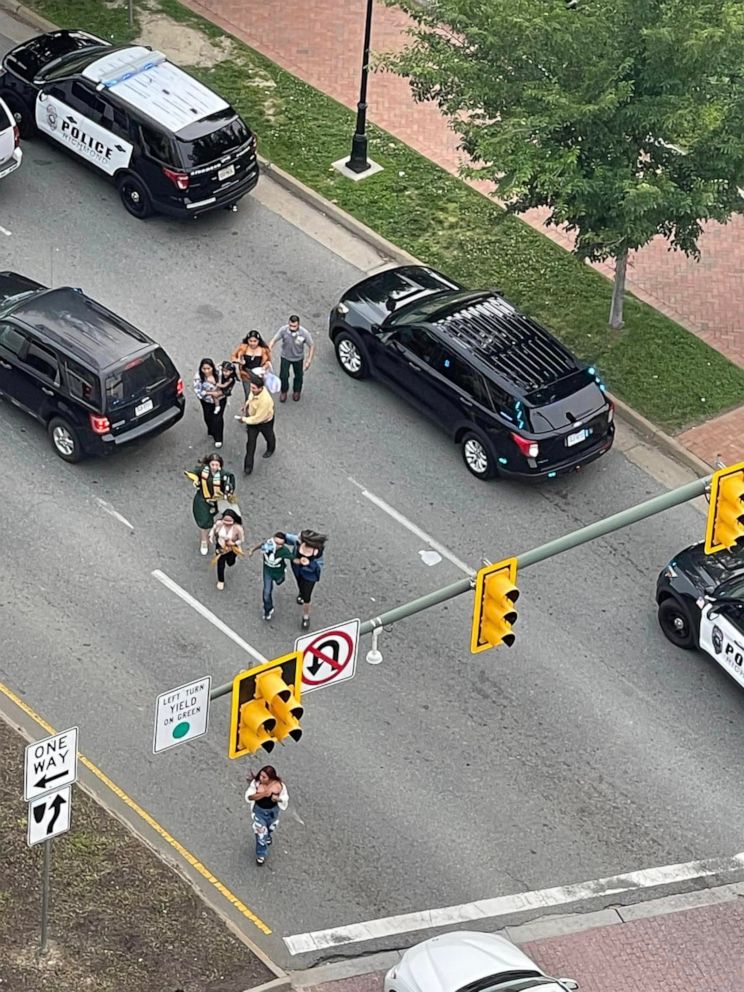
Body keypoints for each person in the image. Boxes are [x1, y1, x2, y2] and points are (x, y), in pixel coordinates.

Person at [185, 453, 237, 555]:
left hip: (219, 500)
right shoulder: (203, 471)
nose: (214, 467)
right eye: (212, 465)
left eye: (216, 465)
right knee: (204, 523)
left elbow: (230, 484)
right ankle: (204, 540)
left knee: (228, 517)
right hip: (203, 500)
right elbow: (192, 473)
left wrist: (228, 490)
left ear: (220, 465)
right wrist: (195, 480)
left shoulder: (224, 475)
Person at [248, 531, 297, 620]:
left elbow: (293, 559)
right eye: (276, 542)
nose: (277, 545)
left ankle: (282, 577)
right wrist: (252, 550)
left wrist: (302, 561)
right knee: (266, 592)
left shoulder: (284, 551)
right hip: (268, 572)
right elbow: (260, 545)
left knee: (279, 582)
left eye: (280, 544)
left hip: (279, 572)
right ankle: (268, 609)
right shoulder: (268, 545)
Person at [245, 766, 288, 865]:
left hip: (273, 812)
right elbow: (249, 797)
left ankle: (268, 835)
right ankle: (261, 854)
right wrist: (264, 794)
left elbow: (284, 797)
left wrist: (277, 799)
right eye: (261, 775)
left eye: (264, 777)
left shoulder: (279, 786)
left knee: (271, 827)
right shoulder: (256, 784)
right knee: (261, 833)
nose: (261, 778)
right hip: (259, 812)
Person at [235, 373, 275, 475]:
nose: (251, 389)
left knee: (269, 435)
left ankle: (271, 448)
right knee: (250, 444)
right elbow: (250, 397)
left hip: (264, 422)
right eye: (251, 387)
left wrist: (243, 420)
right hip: (252, 420)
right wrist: (246, 406)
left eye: (253, 388)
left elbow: (258, 418)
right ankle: (248, 467)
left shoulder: (265, 401)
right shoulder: (254, 392)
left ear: (260, 388)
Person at [269, 314, 314, 403]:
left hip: (298, 358)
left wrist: (309, 360)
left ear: (298, 325)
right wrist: (269, 349)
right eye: (290, 325)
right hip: (285, 357)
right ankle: (284, 391)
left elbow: (311, 346)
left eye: (294, 326)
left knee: (299, 376)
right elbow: (274, 340)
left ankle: (297, 391)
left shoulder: (304, 333)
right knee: (284, 375)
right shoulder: (283, 330)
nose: (292, 328)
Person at [291, 530, 327, 630]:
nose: (297, 537)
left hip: (309, 576)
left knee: (307, 596)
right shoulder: (298, 543)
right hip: (298, 570)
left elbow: (319, 566)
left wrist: (309, 563)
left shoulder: (317, 552)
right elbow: (287, 538)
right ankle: (300, 593)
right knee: (300, 585)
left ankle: (306, 616)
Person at [209, 507, 245, 591]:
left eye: (230, 521)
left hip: (232, 548)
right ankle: (221, 580)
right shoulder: (219, 524)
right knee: (220, 564)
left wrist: (234, 543)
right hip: (221, 546)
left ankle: (232, 559)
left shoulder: (238, 528)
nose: (227, 523)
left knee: (230, 562)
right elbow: (213, 530)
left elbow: (241, 539)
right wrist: (211, 537)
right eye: (225, 520)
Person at [193, 358, 226, 448]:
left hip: (220, 399)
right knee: (208, 417)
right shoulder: (198, 377)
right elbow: (198, 391)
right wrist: (208, 393)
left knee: (218, 419)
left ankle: (218, 438)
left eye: (209, 368)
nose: (206, 371)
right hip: (206, 401)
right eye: (204, 369)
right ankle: (211, 430)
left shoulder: (219, 373)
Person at [231, 331, 272, 399]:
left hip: (258, 375)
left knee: (258, 393)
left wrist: (264, 368)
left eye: (255, 341)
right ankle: (248, 406)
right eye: (250, 341)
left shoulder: (264, 350)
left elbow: (268, 361)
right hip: (246, 374)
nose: (252, 343)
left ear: (258, 341)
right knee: (248, 393)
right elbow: (233, 356)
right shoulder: (243, 347)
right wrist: (238, 361)